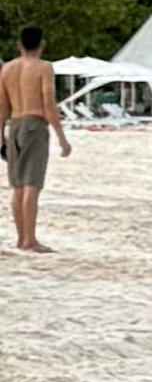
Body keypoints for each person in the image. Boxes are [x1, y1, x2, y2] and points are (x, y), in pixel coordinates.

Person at [3, 26, 69, 254]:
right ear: (42, 44)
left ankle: (21, 238)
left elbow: (2, 106)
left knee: (17, 185)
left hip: (15, 125)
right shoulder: (43, 67)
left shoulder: (7, 69)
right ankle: (30, 240)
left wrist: (1, 136)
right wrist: (62, 138)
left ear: (18, 45)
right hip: (34, 125)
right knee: (32, 184)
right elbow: (49, 103)